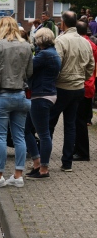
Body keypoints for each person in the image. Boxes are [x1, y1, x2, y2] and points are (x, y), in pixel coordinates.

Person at [0, 17, 33, 192]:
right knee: (19, 136)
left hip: (1, 94)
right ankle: (18, 175)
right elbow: (30, 72)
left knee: (1, 138)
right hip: (20, 94)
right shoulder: (27, 46)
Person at [48, 11, 94, 172]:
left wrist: (56, 80)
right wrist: (82, 77)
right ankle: (67, 162)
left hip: (62, 87)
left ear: (63, 23)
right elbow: (91, 65)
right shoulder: (85, 42)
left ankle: (43, 162)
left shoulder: (61, 40)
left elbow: (56, 64)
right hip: (78, 87)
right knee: (70, 125)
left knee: (49, 124)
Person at [23, 28, 61, 179]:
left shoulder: (44, 55)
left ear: (39, 40)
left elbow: (27, 69)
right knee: (27, 130)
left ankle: (43, 168)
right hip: (49, 93)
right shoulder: (54, 53)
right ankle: (37, 163)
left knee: (43, 134)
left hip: (41, 95)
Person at [72, 21, 97, 161]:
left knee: (79, 120)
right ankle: (79, 149)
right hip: (89, 85)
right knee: (80, 119)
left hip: (83, 84)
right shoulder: (91, 44)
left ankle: (82, 152)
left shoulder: (84, 44)